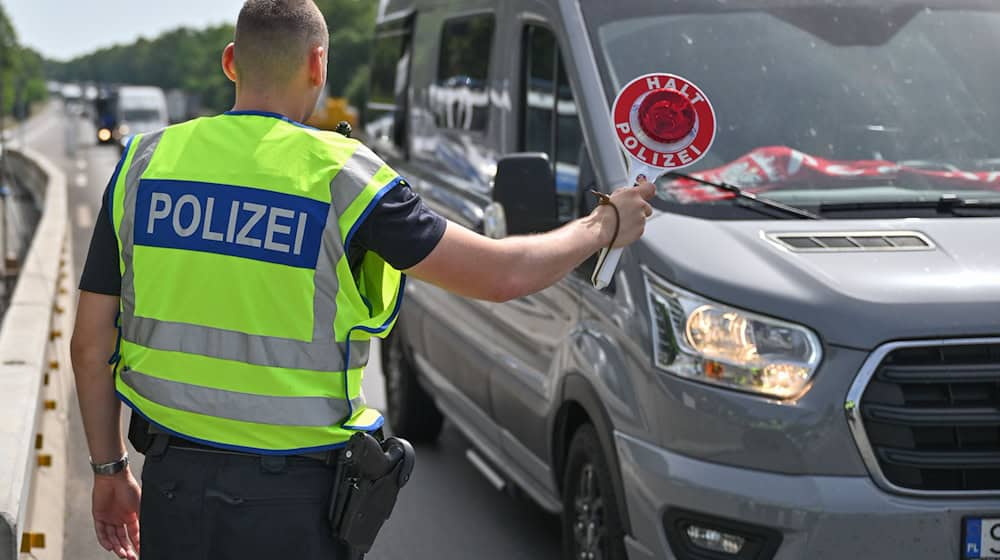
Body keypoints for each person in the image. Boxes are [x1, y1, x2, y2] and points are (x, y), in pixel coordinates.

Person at [69, 1, 655, 559]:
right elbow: (499, 274)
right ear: (318, 63)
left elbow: (91, 343)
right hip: (294, 503)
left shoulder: (145, 163)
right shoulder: (344, 177)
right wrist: (604, 224)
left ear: (230, 61)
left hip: (176, 489)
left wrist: (109, 469)